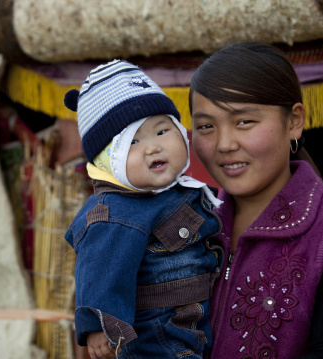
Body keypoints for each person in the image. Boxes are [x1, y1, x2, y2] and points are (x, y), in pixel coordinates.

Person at [188, 42, 323, 358]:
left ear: (293, 121)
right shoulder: (191, 227)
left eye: (244, 121)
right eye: (206, 126)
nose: (223, 144)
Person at [64, 60, 223, 359]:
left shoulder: (180, 191)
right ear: (106, 162)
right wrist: (98, 324)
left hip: (196, 320)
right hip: (155, 334)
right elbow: (98, 271)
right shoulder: (115, 213)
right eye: (133, 141)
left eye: (163, 131)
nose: (153, 148)